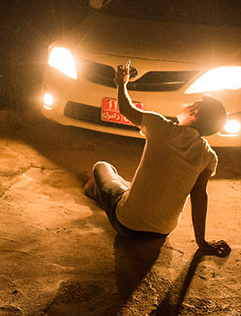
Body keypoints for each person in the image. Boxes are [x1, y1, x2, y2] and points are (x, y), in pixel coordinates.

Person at [84, 60, 231, 256]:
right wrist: (201, 242)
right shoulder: (209, 156)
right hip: (162, 231)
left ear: (194, 113)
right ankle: (111, 192)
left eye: (192, 104)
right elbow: (199, 196)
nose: (187, 105)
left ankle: (93, 190)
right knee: (127, 185)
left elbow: (125, 109)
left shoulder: (160, 126)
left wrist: (121, 83)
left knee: (102, 167)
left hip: (126, 224)